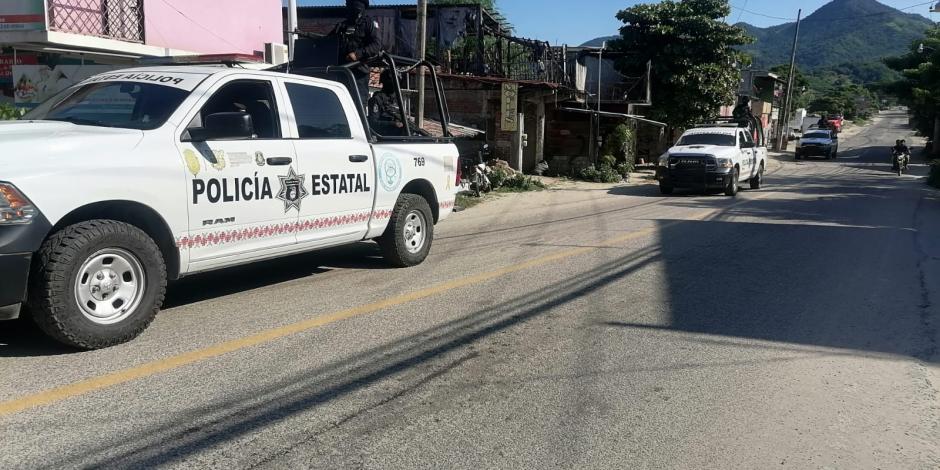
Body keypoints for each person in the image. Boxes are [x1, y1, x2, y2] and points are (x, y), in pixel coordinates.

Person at [330, 0, 383, 107]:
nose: (350, 7)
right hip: (342, 71)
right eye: (349, 4)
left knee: (358, 105)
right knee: (341, 105)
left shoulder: (369, 23)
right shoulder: (342, 26)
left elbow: (376, 45)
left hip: (359, 73)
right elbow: (329, 41)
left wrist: (357, 54)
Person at [368, 70, 406, 136]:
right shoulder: (377, 99)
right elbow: (373, 123)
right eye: (393, 81)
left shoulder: (398, 99)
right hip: (384, 138)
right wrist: (393, 124)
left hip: (399, 137)